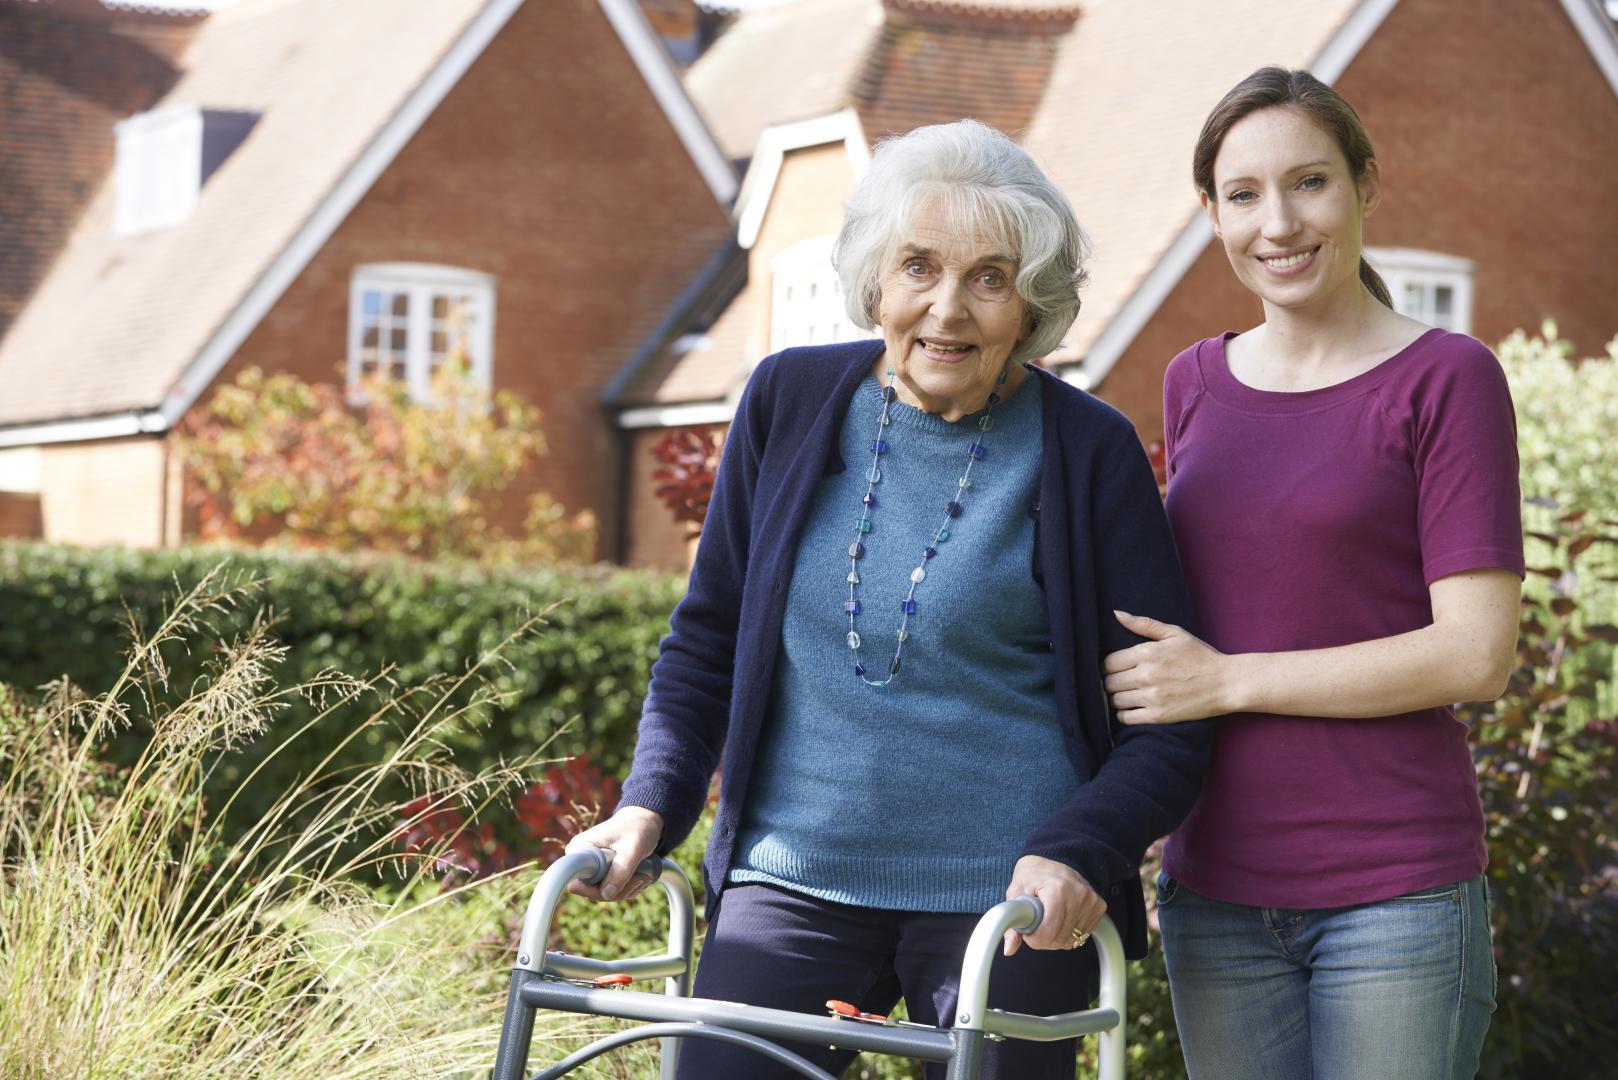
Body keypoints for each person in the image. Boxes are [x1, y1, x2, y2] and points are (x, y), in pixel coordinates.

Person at [566, 118, 1212, 1080]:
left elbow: (1173, 724)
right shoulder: (787, 401)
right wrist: (649, 803)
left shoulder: (1089, 450)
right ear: (877, 278)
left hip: (1011, 901)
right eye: (920, 267)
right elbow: (705, 642)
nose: (947, 309)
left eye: (989, 278)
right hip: (791, 880)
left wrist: (1084, 851)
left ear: (1030, 303)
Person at [1101, 67, 1523, 1079]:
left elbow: (1476, 653)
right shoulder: (1191, 381)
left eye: (1309, 183)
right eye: (1242, 195)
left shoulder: (1446, 379)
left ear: (1364, 186)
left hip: (1395, 894)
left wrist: (1230, 680)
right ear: (1210, 213)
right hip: (1214, 893)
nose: (1277, 223)